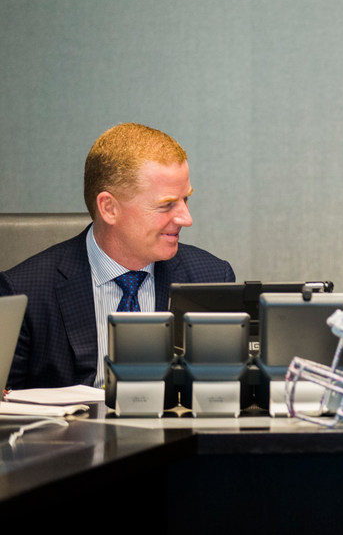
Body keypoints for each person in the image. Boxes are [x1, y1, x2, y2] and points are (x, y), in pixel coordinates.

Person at [2, 123, 235, 389]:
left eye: (186, 200)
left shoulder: (211, 278)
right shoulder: (25, 292)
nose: (186, 218)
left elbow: (224, 391)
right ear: (109, 208)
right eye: (167, 205)